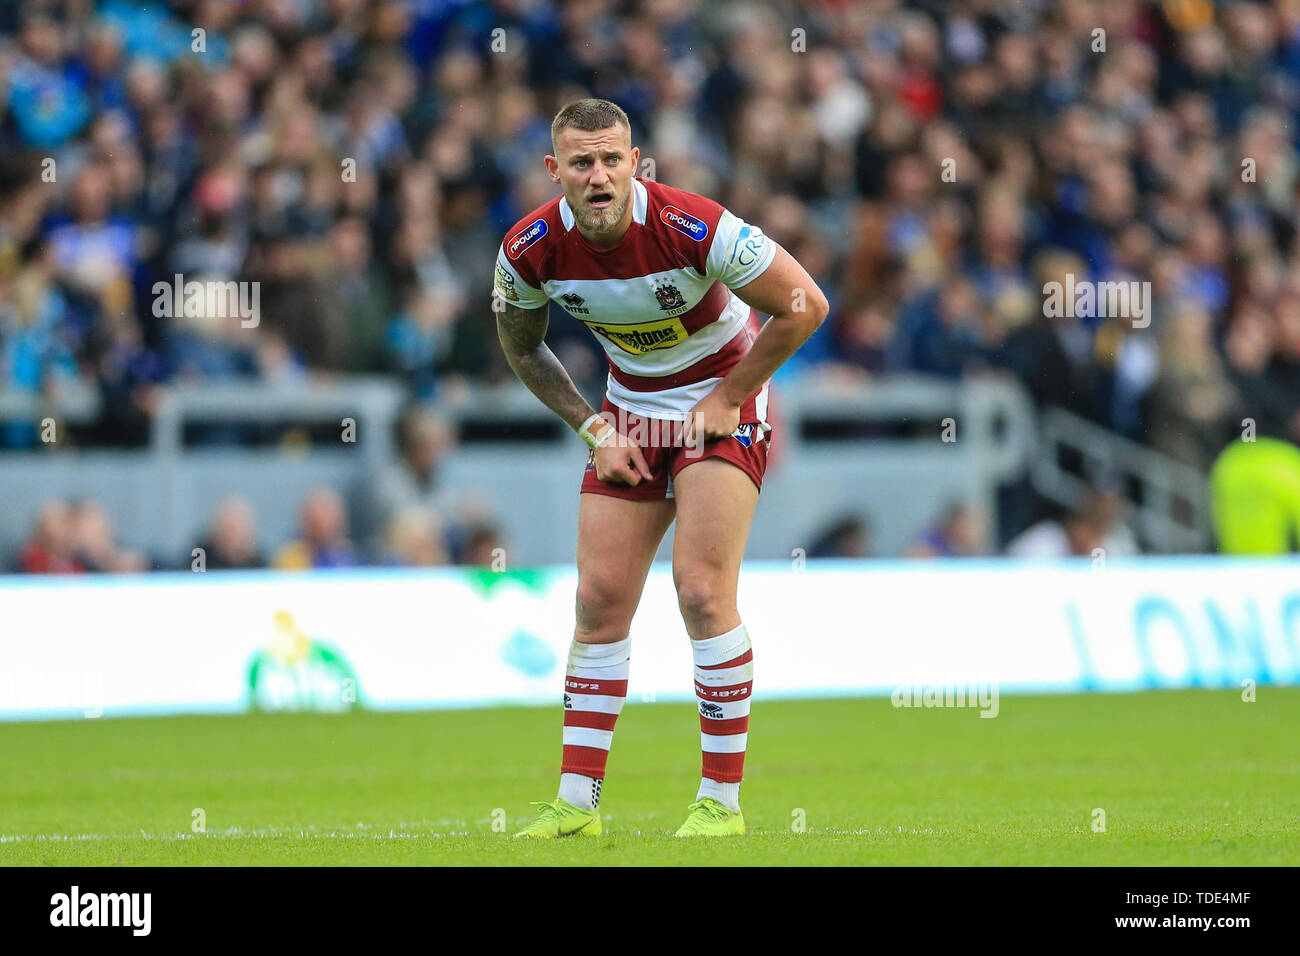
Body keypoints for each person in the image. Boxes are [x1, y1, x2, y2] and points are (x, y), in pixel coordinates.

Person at [497, 99, 827, 839]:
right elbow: (522, 347)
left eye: (613, 159)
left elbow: (806, 304)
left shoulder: (692, 223)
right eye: (581, 162)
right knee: (599, 597)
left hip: (723, 398)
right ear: (555, 173)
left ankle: (720, 803)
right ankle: (576, 805)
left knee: (702, 591)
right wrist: (592, 426)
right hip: (631, 412)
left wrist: (731, 395)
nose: (599, 175)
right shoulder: (528, 250)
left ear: (635, 163)